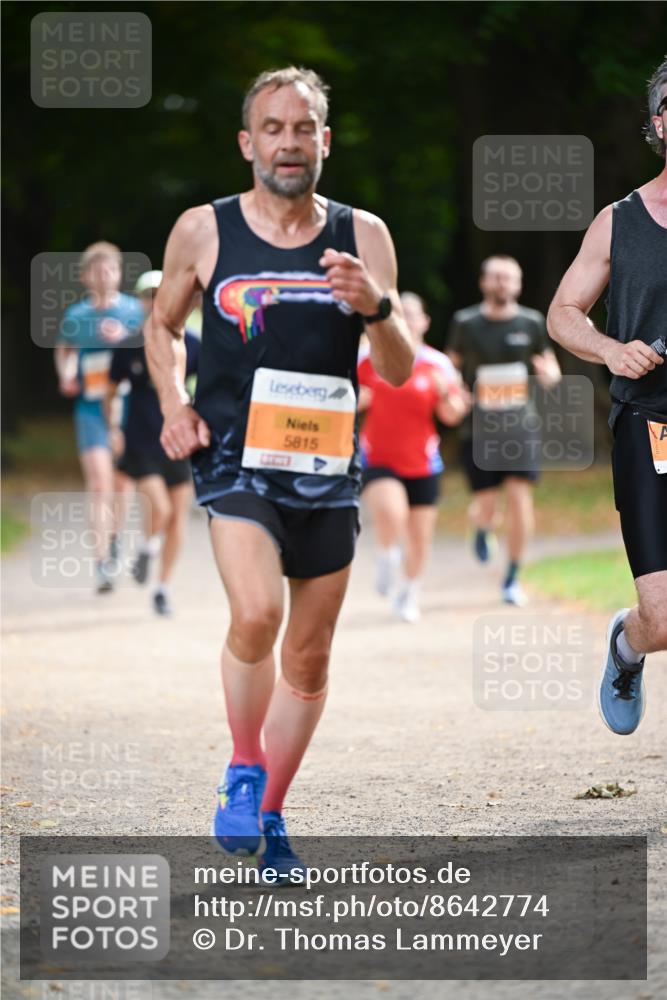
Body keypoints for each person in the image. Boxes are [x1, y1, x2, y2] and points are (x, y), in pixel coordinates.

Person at [145, 66, 413, 874]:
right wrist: (172, 404)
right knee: (256, 614)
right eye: (273, 128)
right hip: (235, 460)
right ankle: (241, 764)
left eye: (303, 129)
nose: (288, 143)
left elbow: (397, 369)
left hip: (327, 467)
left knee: (307, 658)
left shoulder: (363, 235)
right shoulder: (205, 230)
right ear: (246, 142)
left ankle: (268, 818)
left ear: (324, 141)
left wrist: (376, 306)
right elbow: (161, 330)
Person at [547, 58, 667, 736]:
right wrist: (610, 350)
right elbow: (562, 312)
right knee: (662, 618)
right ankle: (626, 646)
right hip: (647, 422)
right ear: (657, 122)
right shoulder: (619, 221)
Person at [447, 256, 561, 606]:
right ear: (484, 282)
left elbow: (549, 365)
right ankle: (482, 527)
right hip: (478, 428)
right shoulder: (465, 323)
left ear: (519, 284)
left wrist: (550, 376)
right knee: (486, 504)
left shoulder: (531, 322)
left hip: (519, 425)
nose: (502, 284)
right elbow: (450, 367)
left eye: (509, 278)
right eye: (496, 278)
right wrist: (454, 392)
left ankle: (512, 576)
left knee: (519, 496)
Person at [358, 291, 469, 622]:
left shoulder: (437, 364)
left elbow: (452, 415)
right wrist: (356, 399)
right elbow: (345, 399)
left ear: (424, 322)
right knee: (391, 512)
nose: (405, 320)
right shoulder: (369, 359)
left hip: (423, 461)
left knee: (420, 540)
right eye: (398, 313)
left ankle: (409, 593)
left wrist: (446, 393)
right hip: (378, 455)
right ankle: (387, 555)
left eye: (411, 314)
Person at [105, 271, 200, 617]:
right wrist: (113, 429)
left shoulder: (193, 342)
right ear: (141, 300)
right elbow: (111, 393)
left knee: (177, 518)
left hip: (180, 441)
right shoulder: (129, 345)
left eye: (161, 293)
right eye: (148, 295)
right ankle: (147, 546)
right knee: (158, 507)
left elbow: (205, 388)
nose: (155, 300)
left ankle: (162, 588)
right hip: (140, 438)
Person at [55, 242, 144, 593]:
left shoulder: (136, 311)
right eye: (98, 269)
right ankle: (103, 560)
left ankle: (116, 536)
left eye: (111, 268)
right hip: (91, 408)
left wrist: (126, 338)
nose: (105, 274)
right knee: (98, 483)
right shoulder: (76, 317)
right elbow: (65, 350)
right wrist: (65, 373)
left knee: (124, 485)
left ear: (120, 273)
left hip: (127, 408)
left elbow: (154, 347)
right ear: (86, 276)